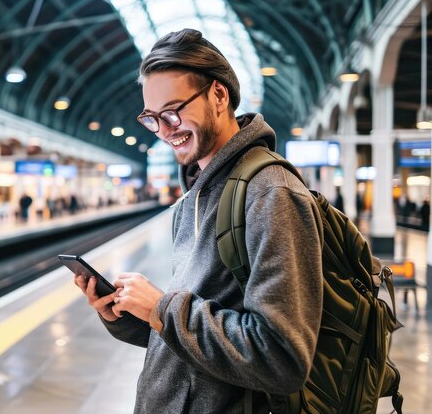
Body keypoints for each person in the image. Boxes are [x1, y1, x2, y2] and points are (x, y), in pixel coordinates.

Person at [73, 29, 323, 413]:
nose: (165, 130)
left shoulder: (270, 193)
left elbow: (281, 359)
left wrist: (161, 307)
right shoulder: (195, 197)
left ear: (219, 96)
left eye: (173, 110)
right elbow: (196, 330)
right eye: (152, 118)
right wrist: (127, 315)